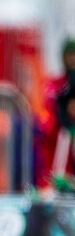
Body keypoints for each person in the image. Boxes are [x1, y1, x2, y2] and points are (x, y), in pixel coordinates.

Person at [36, 38, 75, 188]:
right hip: (59, 146)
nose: (72, 60)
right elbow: (49, 102)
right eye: (69, 56)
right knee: (58, 181)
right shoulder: (55, 84)